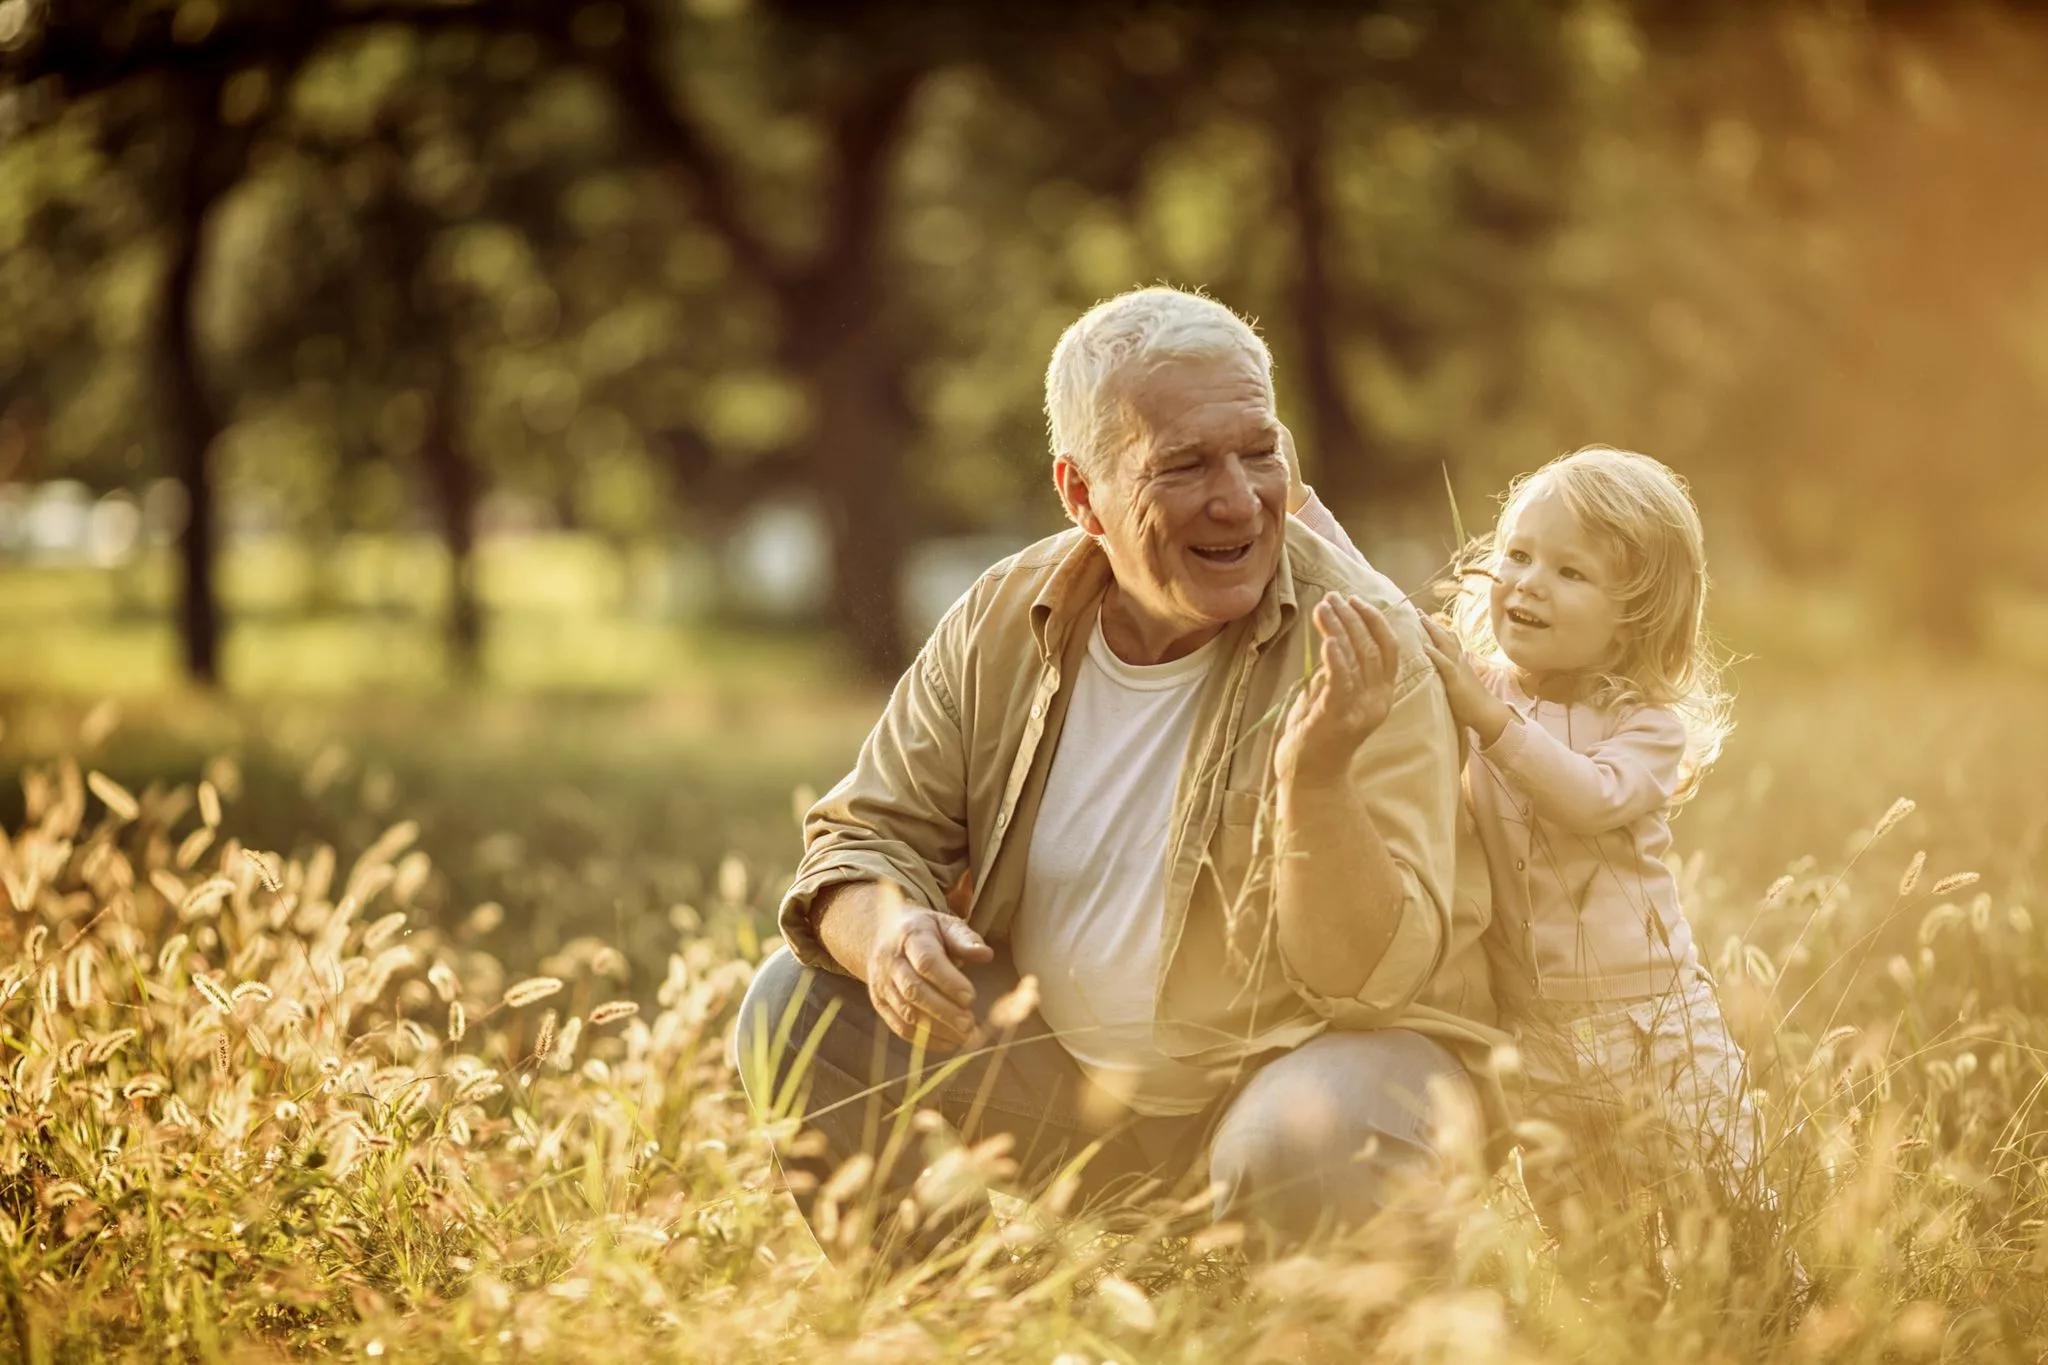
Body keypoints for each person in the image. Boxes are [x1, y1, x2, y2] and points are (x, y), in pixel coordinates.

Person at [734, 286, 1504, 1262]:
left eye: (1258, 452)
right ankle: (966, 1330)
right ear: (1078, 493)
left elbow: (1369, 985)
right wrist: (887, 937)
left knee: (1307, 1140)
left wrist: (1315, 789)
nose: (1238, 498)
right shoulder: (1004, 614)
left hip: (1307, 1082)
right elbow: (863, 835)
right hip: (1074, 1098)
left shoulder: (1358, 639)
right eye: (1183, 465)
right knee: (792, 1007)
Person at [1327, 445, 1768, 1247]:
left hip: (1657, 1026)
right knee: (1590, 1236)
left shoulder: (1645, 724)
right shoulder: (1479, 682)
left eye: (1571, 571)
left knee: (1727, 1220)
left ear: (1636, 614)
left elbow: (1590, 798)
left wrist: (1486, 721)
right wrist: (1301, 508)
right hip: (1535, 1031)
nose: (1528, 581)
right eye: (1518, 555)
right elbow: (1378, 600)